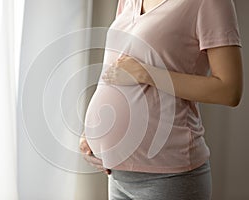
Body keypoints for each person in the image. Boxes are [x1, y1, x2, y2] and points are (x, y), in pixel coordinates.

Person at [80, 0, 243, 199]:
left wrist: (149, 74)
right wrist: (92, 130)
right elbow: (115, 68)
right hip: (117, 176)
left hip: (169, 177)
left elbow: (229, 90)